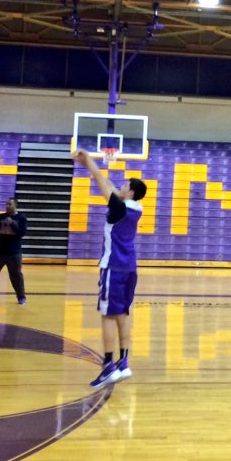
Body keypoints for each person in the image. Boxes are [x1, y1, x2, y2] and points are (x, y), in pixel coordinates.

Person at [74, 148, 147, 388]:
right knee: (123, 314)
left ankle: (108, 366)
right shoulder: (135, 208)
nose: (121, 187)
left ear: (131, 192)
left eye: (125, 185)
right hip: (129, 268)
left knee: (107, 315)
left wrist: (88, 161)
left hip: (113, 267)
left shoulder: (119, 207)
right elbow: (112, 188)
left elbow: (100, 182)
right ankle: (124, 363)